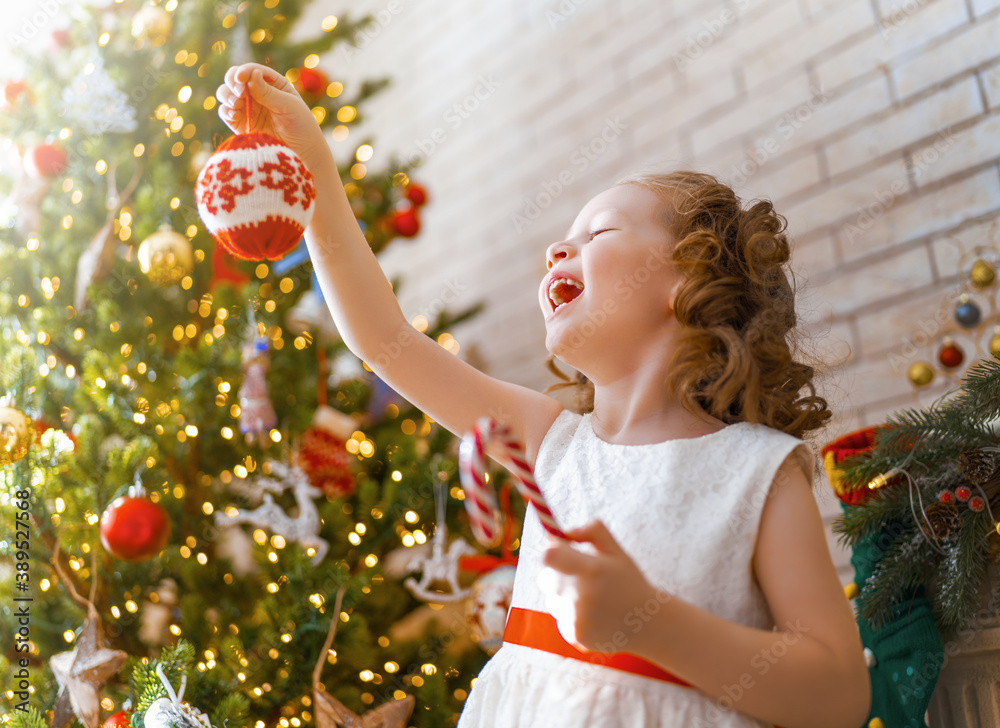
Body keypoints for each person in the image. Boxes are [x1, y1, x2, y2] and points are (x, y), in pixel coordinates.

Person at [215, 63, 871, 728]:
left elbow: (840, 696)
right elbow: (382, 337)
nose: (559, 247)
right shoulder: (552, 443)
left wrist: (652, 625)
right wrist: (312, 162)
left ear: (688, 276)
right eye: (566, 236)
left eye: (601, 232)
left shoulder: (757, 473)